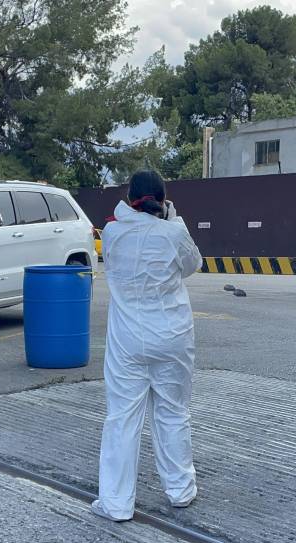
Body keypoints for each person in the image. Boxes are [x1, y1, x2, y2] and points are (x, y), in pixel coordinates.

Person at [91, 170, 203, 522]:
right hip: (172, 337)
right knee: (172, 413)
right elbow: (192, 265)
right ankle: (180, 490)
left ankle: (116, 503)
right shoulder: (173, 232)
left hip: (127, 341)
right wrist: (174, 218)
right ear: (163, 199)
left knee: (122, 418)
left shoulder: (112, 233)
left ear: (129, 197)